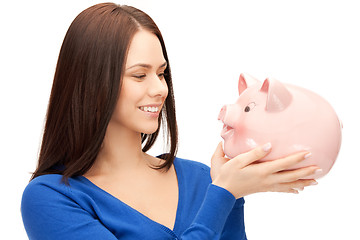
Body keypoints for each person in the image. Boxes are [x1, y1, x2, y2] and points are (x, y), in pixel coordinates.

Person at [21, 3, 320, 240]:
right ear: (91, 83)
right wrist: (223, 196)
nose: (160, 89)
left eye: (161, 73)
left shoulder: (205, 180)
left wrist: (228, 194)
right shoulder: (51, 198)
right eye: (140, 75)